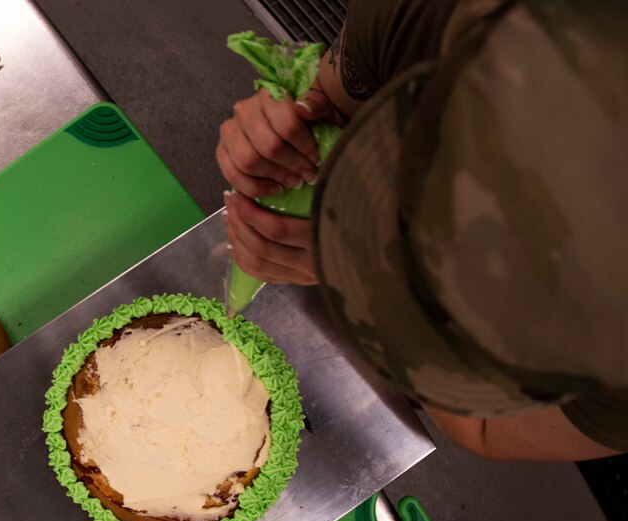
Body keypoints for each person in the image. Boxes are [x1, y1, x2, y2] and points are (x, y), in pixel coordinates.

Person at [216, 0, 627, 462]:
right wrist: (279, 137)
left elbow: (485, 430)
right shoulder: (416, 14)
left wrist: (365, 272)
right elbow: (332, 101)